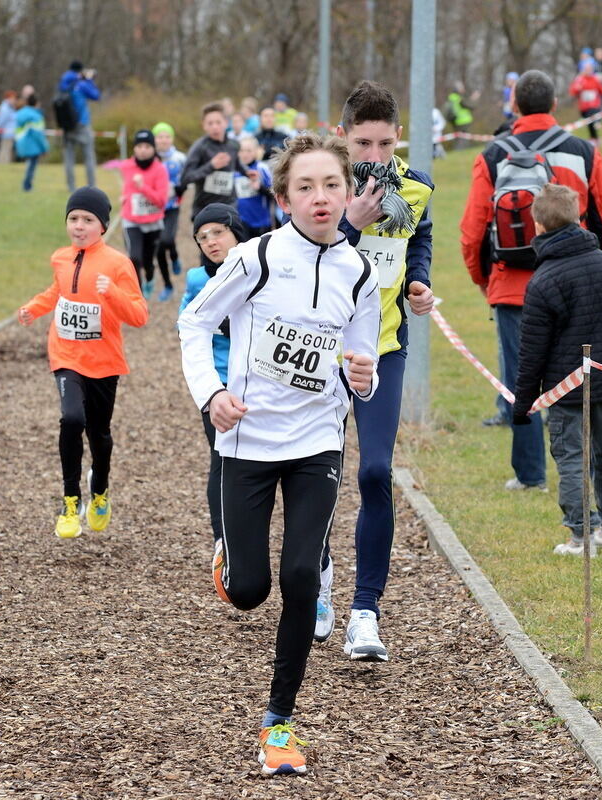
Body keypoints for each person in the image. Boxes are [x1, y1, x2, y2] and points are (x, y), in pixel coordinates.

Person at [178, 133, 381, 775]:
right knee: (249, 591)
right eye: (305, 187)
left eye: (330, 186)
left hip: (318, 440)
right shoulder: (255, 259)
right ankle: (230, 561)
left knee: (301, 576)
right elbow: (193, 325)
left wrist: (363, 374)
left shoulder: (362, 272)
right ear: (283, 197)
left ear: (347, 193)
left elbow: (363, 365)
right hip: (247, 439)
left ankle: (279, 724)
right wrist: (211, 394)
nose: (320, 198)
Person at [460, 69, 602, 493]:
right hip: (578, 283)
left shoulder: (493, 154)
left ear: (514, 106)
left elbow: (474, 230)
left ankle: (530, 474)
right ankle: (585, 474)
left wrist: (484, 281)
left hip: (513, 286)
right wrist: (594, 265)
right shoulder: (583, 151)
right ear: (554, 105)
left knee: (521, 379)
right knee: (582, 377)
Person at [325, 80, 434, 661]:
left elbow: (419, 242)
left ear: (397, 139)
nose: (373, 157)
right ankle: (316, 581)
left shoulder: (415, 188)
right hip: (316, 354)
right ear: (344, 137)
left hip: (382, 352)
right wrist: (351, 222)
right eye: (363, 143)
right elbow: (297, 255)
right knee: (313, 476)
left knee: (374, 473)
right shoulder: (319, 186)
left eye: (384, 144)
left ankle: (365, 612)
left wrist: (420, 281)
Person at [513, 184, 602, 556]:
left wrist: (522, 404)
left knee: (572, 459)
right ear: (578, 218)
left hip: (567, 391)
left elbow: (531, 352)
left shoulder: (542, 281)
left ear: (537, 224)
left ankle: (580, 537)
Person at [17, 187, 148, 538]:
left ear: (102, 225)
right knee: (71, 418)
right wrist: (34, 307)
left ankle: (100, 489)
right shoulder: (61, 257)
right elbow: (57, 292)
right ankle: (70, 500)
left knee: (99, 434)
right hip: (66, 354)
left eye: (87, 220)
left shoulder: (118, 263)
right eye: (73, 218)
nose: (79, 226)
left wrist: (113, 293)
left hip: (104, 361)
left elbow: (138, 315)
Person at [178, 204, 249, 552]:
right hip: (217, 384)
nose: (210, 242)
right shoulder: (196, 280)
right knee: (221, 458)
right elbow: (186, 324)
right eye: (202, 237)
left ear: (236, 232)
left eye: (218, 232)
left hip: (256, 382)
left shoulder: (260, 268)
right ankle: (223, 540)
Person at [118, 129, 170, 297]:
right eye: (139, 146)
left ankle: (150, 277)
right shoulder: (126, 166)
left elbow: (162, 201)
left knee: (147, 261)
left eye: (147, 146)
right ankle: (137, 296)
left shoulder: (160, 169)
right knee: (134, 258)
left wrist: (143, 188)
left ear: (153, 148)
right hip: (131, 221)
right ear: (134, 148)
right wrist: (125, 197)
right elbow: (127, 187)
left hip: (153, 222)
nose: (143, 149)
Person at [180, 101, 240, 218]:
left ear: (226, 123)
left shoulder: (234, 145)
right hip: (204, 209)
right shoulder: (199, 147)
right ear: (203, 125)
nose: (215, 127)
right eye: (210, 123)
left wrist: (248, 172)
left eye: (218, 122)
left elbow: (237, 165)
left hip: (229, 206)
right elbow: (186, 178)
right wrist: (211, 166)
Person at [152, 122, 187, 299]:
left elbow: (187, 178)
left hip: (172, 206)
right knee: (158, 247)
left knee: (166, 239)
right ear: (154, 139)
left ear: (171, 139)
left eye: (167, 136)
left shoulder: (180, 158)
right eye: (160, 136)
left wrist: (178, 189)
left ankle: (174, 257)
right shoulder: (151, 158)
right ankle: (167, 285)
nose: (163, 140)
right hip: (154, 208)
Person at [58, 60, 101, 191]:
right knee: (89, 156)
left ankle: (70, 187)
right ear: (80, 70)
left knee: (69, 158)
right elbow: (96, 95)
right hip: (82, 124)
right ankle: (92, 186)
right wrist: (89, 79)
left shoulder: (64, 83)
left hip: (67, 125)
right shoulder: (82, 84)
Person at [235, 136, 273, 236]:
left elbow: (275, 194)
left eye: (249, 151)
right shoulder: (234, 171)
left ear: (256, 151)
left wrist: (260, 188)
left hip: (261, 223)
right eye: (242, 151)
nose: (245, 154)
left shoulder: (262, 168)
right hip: (240, 223)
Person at [15, 93, 49, 191]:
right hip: (33, 145)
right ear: (37, 103)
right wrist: (44, 147)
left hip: (21, 143)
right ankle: (27, 186)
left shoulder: (20, 113)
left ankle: (27, 185)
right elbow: (38, 134)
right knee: (31, 167)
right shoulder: (36, 116)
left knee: (28, 165)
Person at [569, 60, 602, 145]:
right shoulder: (580, 80)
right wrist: (577, 88)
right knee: (590, 121)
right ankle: (595, 137)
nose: (588, 71)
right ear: (583, 70)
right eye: (586, 69)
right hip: (584, 108)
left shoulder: (595, 79)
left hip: (595, 105)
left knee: (594, 113)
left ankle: (598, 124)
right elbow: (572, 91)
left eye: (590, 69)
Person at [446, 80, 480, 149]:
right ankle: (461, 150)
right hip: (463, 120)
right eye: (462, 88)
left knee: (458, 138)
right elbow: (470, 106)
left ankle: (458, 151)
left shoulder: (452, 97)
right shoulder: (460, 98)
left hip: (455, 120)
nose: (463, 89)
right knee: (464, 139)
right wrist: (474, 99)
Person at [0, 90, 18, 163]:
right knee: (4, 150)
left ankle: (5, 164)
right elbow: (0, 121)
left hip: (10, 133)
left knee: (7, 150)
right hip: (5, 133)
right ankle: (2, 163)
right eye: (13, 98)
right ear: (9, 98)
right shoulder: (5, 108)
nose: (14, 100)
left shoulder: (10, 107)